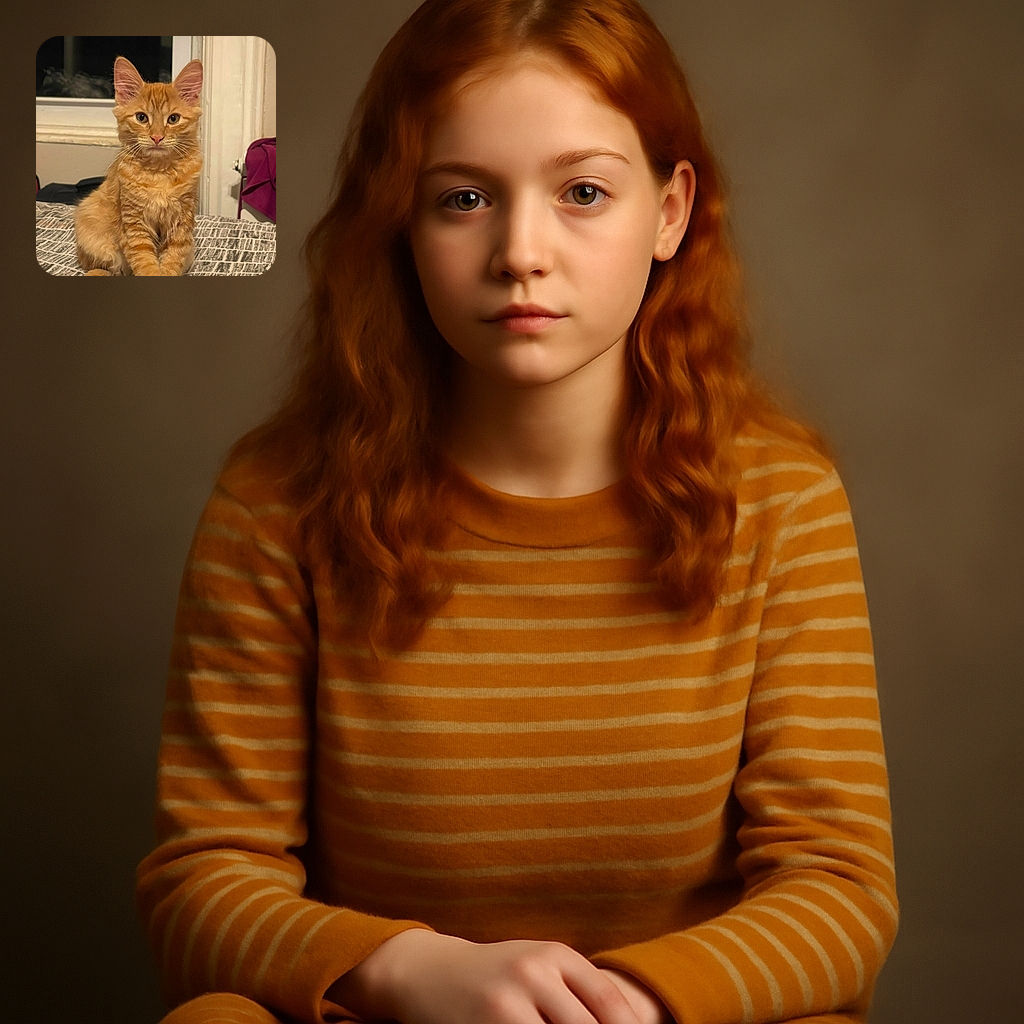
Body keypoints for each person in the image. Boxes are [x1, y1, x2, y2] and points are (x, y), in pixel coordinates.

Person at [136, 1, 898, 1022]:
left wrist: (630, 1001)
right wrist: (413, 970)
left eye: (582, 191)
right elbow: (203, 881)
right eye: (462, 199)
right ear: (398, 216)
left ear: (670, 211)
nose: (520, 252)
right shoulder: (276, 502)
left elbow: (840, 889)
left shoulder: (782, 500)